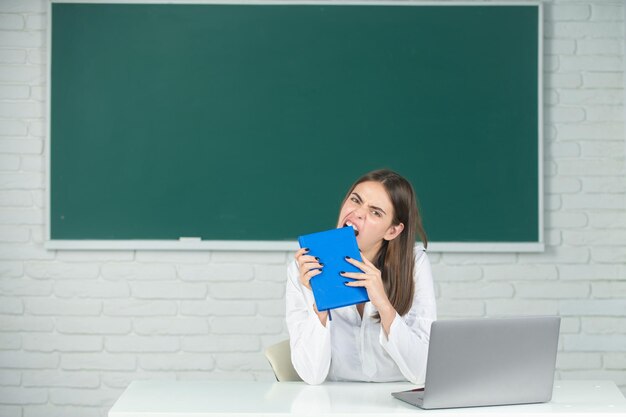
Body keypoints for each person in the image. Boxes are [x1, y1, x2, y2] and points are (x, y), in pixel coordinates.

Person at [286, 169, 437, 385]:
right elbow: (311, 375)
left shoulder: (414, 265)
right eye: (356, 200)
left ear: (392, 231)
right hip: (335, 400)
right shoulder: (304, 269)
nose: (357, 213)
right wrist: (318, 299)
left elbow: (421, 372)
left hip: (396, 399)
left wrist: (383, 305)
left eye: (375, 212)